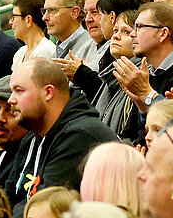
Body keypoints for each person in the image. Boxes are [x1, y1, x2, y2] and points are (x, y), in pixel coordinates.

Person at [8, 60, 120, 191]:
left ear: (48, 92)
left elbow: (50, 207)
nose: (11, 99)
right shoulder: (33, 136)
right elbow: (9, 196)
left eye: (19, 91)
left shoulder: (80, 136)